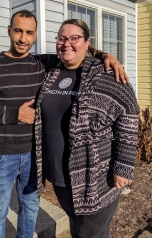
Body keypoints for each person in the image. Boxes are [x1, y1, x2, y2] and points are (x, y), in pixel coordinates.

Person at [0, 10, 128, 238]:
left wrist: (106, 55)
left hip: (35, 156)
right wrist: (14, 114)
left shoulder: (43, 63)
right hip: (1, 154)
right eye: (18, 31)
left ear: (35, 35)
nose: (23, 38)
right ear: (9, 31)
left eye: (29, 32)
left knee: (30, 209)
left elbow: (75, 50)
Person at [34, 18, 139, 238]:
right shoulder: (52, 70)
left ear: (87, 42)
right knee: (77, 227)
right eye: (62, 38)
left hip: (96, 178)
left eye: (75, 38)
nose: (67, 44)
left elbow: (129, 113)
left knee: (90, 234)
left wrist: (123, 165)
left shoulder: (106, 74)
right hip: (60, 177)